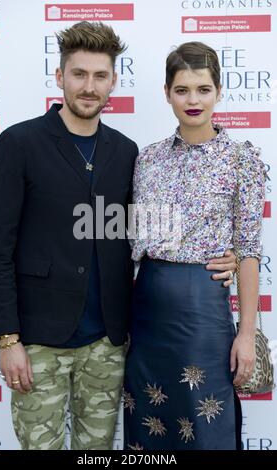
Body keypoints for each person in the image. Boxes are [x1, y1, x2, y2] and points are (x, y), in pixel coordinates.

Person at [0, 22, 236, 450]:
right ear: (60, 77)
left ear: (113, 82)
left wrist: (216, 255)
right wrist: (8, 339)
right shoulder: (20, 143)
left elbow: (145, 233)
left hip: (107, 341)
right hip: (38, 340)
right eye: (79, 74)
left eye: (100, 76)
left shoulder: (126, 152)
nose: (89, 86)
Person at [124, 42, 265, 451]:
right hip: (147, 313)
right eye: (182, 89)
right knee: (148, 426)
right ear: (167, 92)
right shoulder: (147, 159)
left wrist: (246, 334)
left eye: (203, 89)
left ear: (219, 92)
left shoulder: (241, 161)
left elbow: (249, 250)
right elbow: (136, 241)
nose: (193, 100)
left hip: (204, 313)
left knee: (208, 428)